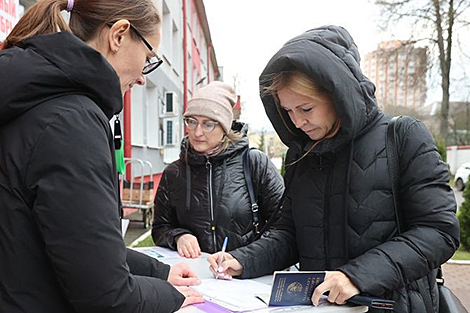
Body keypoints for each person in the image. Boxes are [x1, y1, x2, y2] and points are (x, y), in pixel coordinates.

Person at [207, 25, 460, 312]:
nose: (297, 122)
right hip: (320, 306)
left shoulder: (403, 137)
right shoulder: (301, 155)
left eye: (305, 109)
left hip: (391, 305)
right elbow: (289, 234)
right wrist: (244, 260)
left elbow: (438, 231)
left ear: (338, 95)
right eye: (287, 111)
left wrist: (356, 276)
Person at [0, 0, 204, 312]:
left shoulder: (33, 96)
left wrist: (160, 272)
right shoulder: (71, 121)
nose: (142, 78)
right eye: (148, 57)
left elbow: (77, 240)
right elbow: (107, 298)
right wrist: (173, 297)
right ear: (119, 35)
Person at [152, 81, 285, 258]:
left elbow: (284, 226)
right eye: (191, 122)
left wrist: (244, 259)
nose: (197, 132)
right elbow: (160, 228)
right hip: (195, 277)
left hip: (247, 278)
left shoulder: (254, 163)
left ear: (225, 127)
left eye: (208, 124)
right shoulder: (174, 173)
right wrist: (178, 236)